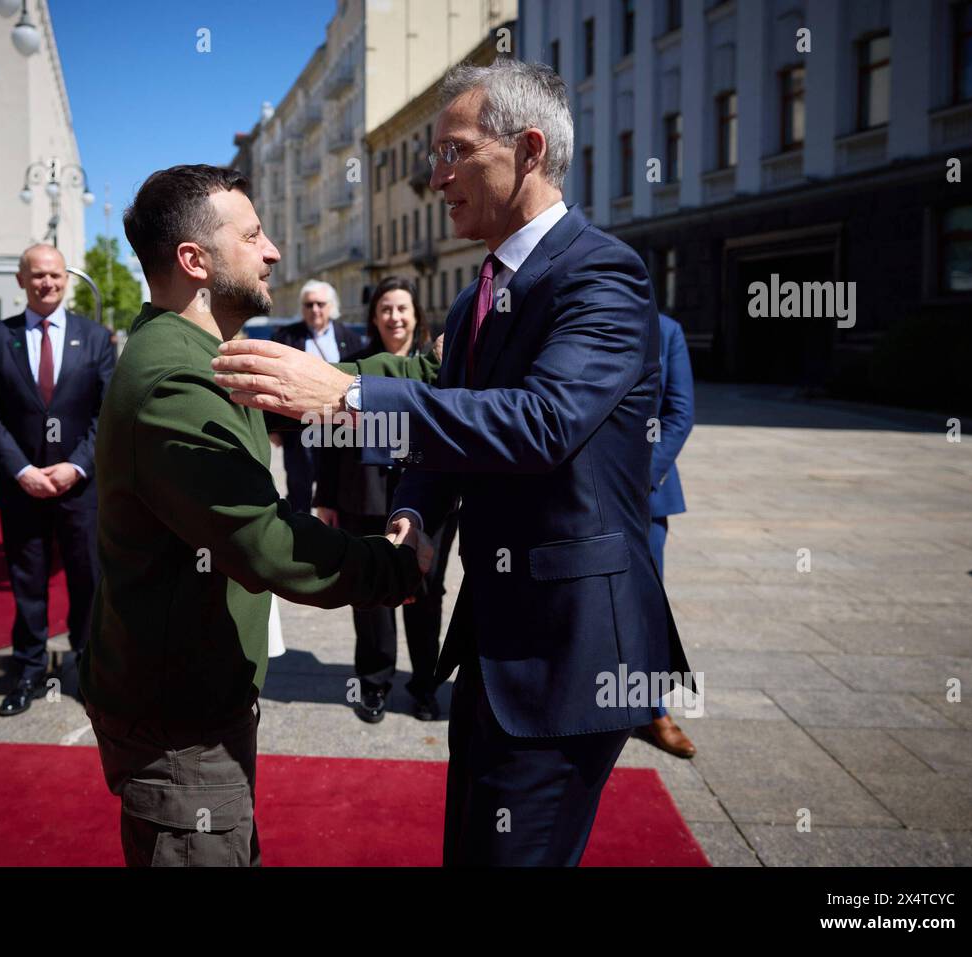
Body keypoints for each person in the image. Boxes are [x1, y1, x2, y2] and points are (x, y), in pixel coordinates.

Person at [212, 60, 693, 866]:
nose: (435, 177)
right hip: (499, 642)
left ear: (528, 148)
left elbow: (542, 423)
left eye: (453, 152)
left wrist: (348, 395)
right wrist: (417, 510)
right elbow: (459, 427)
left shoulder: (602, 273)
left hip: (574, 656)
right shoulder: (478, 294)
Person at [80, 164, 431, 867]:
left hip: (196, 707)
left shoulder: (203, 350)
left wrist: (429, 373)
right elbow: (268, 546)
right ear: (194, 260)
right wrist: (396, 565)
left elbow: (323, 384)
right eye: (253, 234)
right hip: (180, 732)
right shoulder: (173, 377)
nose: (272, 250)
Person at [0, 244, 115, 717]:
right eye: (37, 276)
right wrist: (23, 470)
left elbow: (106, 412)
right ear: (21, 281)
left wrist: (76, 465)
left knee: (87, 581)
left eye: (54, 275)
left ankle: (89, 669)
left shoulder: (96, 338)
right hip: (21, 488)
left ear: (66, 279)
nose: (46, 283)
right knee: (27, 584)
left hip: (81, 487)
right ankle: (29, 670)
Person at [313, 276, 458, 723]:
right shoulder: (354, 365)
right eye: (386, 309)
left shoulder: (441, 364)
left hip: (431, 497)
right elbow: (326, 440)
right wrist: (327, 497)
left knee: (427, 592)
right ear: (375, 317)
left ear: (416, 315)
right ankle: (374, 683)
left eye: (402, 308)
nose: (395, 317)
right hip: (365, 496)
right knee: (371, 591)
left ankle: (424, 686)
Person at [641, 312, 697, 758]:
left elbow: (680, 412)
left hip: (645, 494)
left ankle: (654, 709)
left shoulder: (667, 331)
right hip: (579, 490)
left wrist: (642, 477)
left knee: (646, 604)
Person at [270, 281, 362, 514]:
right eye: (309, 304)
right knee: (299, 487)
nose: (315, 310)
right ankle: (299, 539)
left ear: (332, 306)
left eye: (320, 304)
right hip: (299, 428)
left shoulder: (349, 338)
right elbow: (273, 381)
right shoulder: (286, 337)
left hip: (339, 427)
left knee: (336, 487)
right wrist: (274, 428)